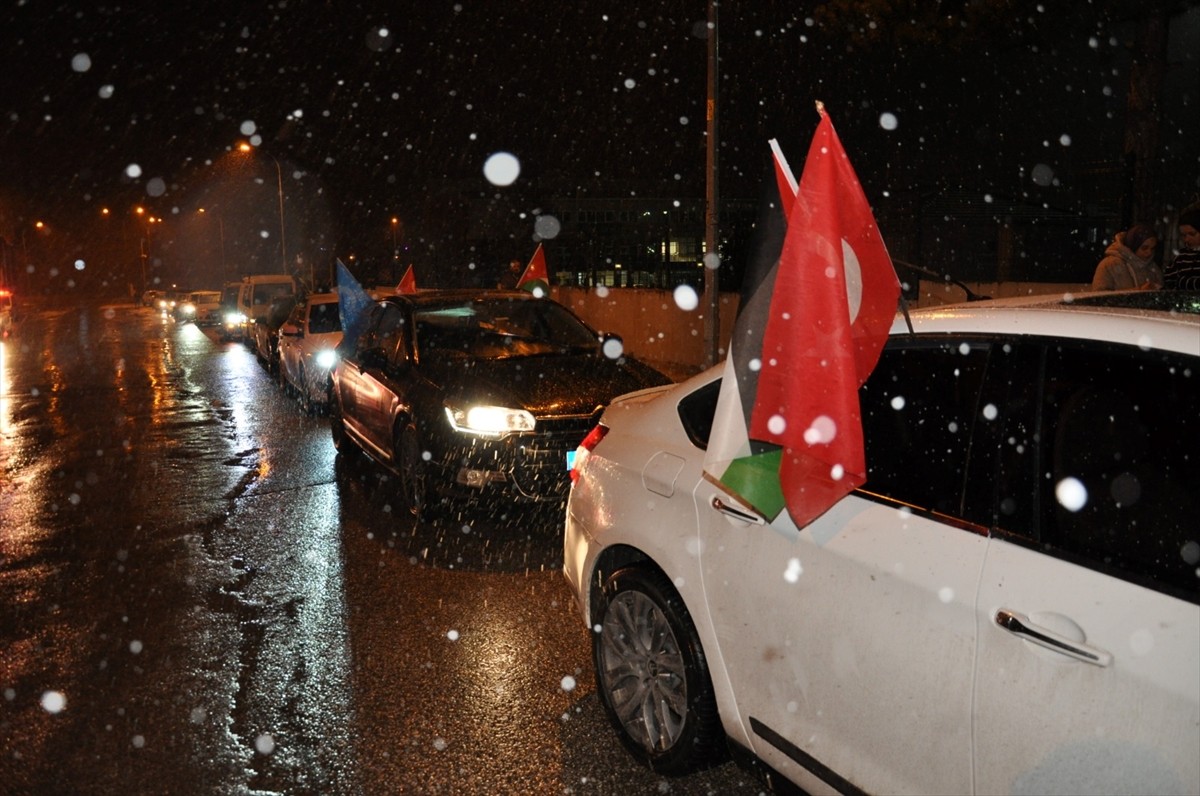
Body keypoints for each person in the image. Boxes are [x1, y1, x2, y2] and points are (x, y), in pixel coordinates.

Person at [1091, 223, 1163, 291]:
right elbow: (1099, 297)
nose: (1149, 252)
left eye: (1152, 248)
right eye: (1144, 248)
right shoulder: (1109, 265)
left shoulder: (1153, 269)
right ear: (1134, 246)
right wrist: (1139, 292)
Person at [1163, 208, 1200, 290]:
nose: (1187, 239)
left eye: (1192, 234)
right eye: (1183, 235)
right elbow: (1169, 283)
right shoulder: (1181, 257)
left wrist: (1182, 282)